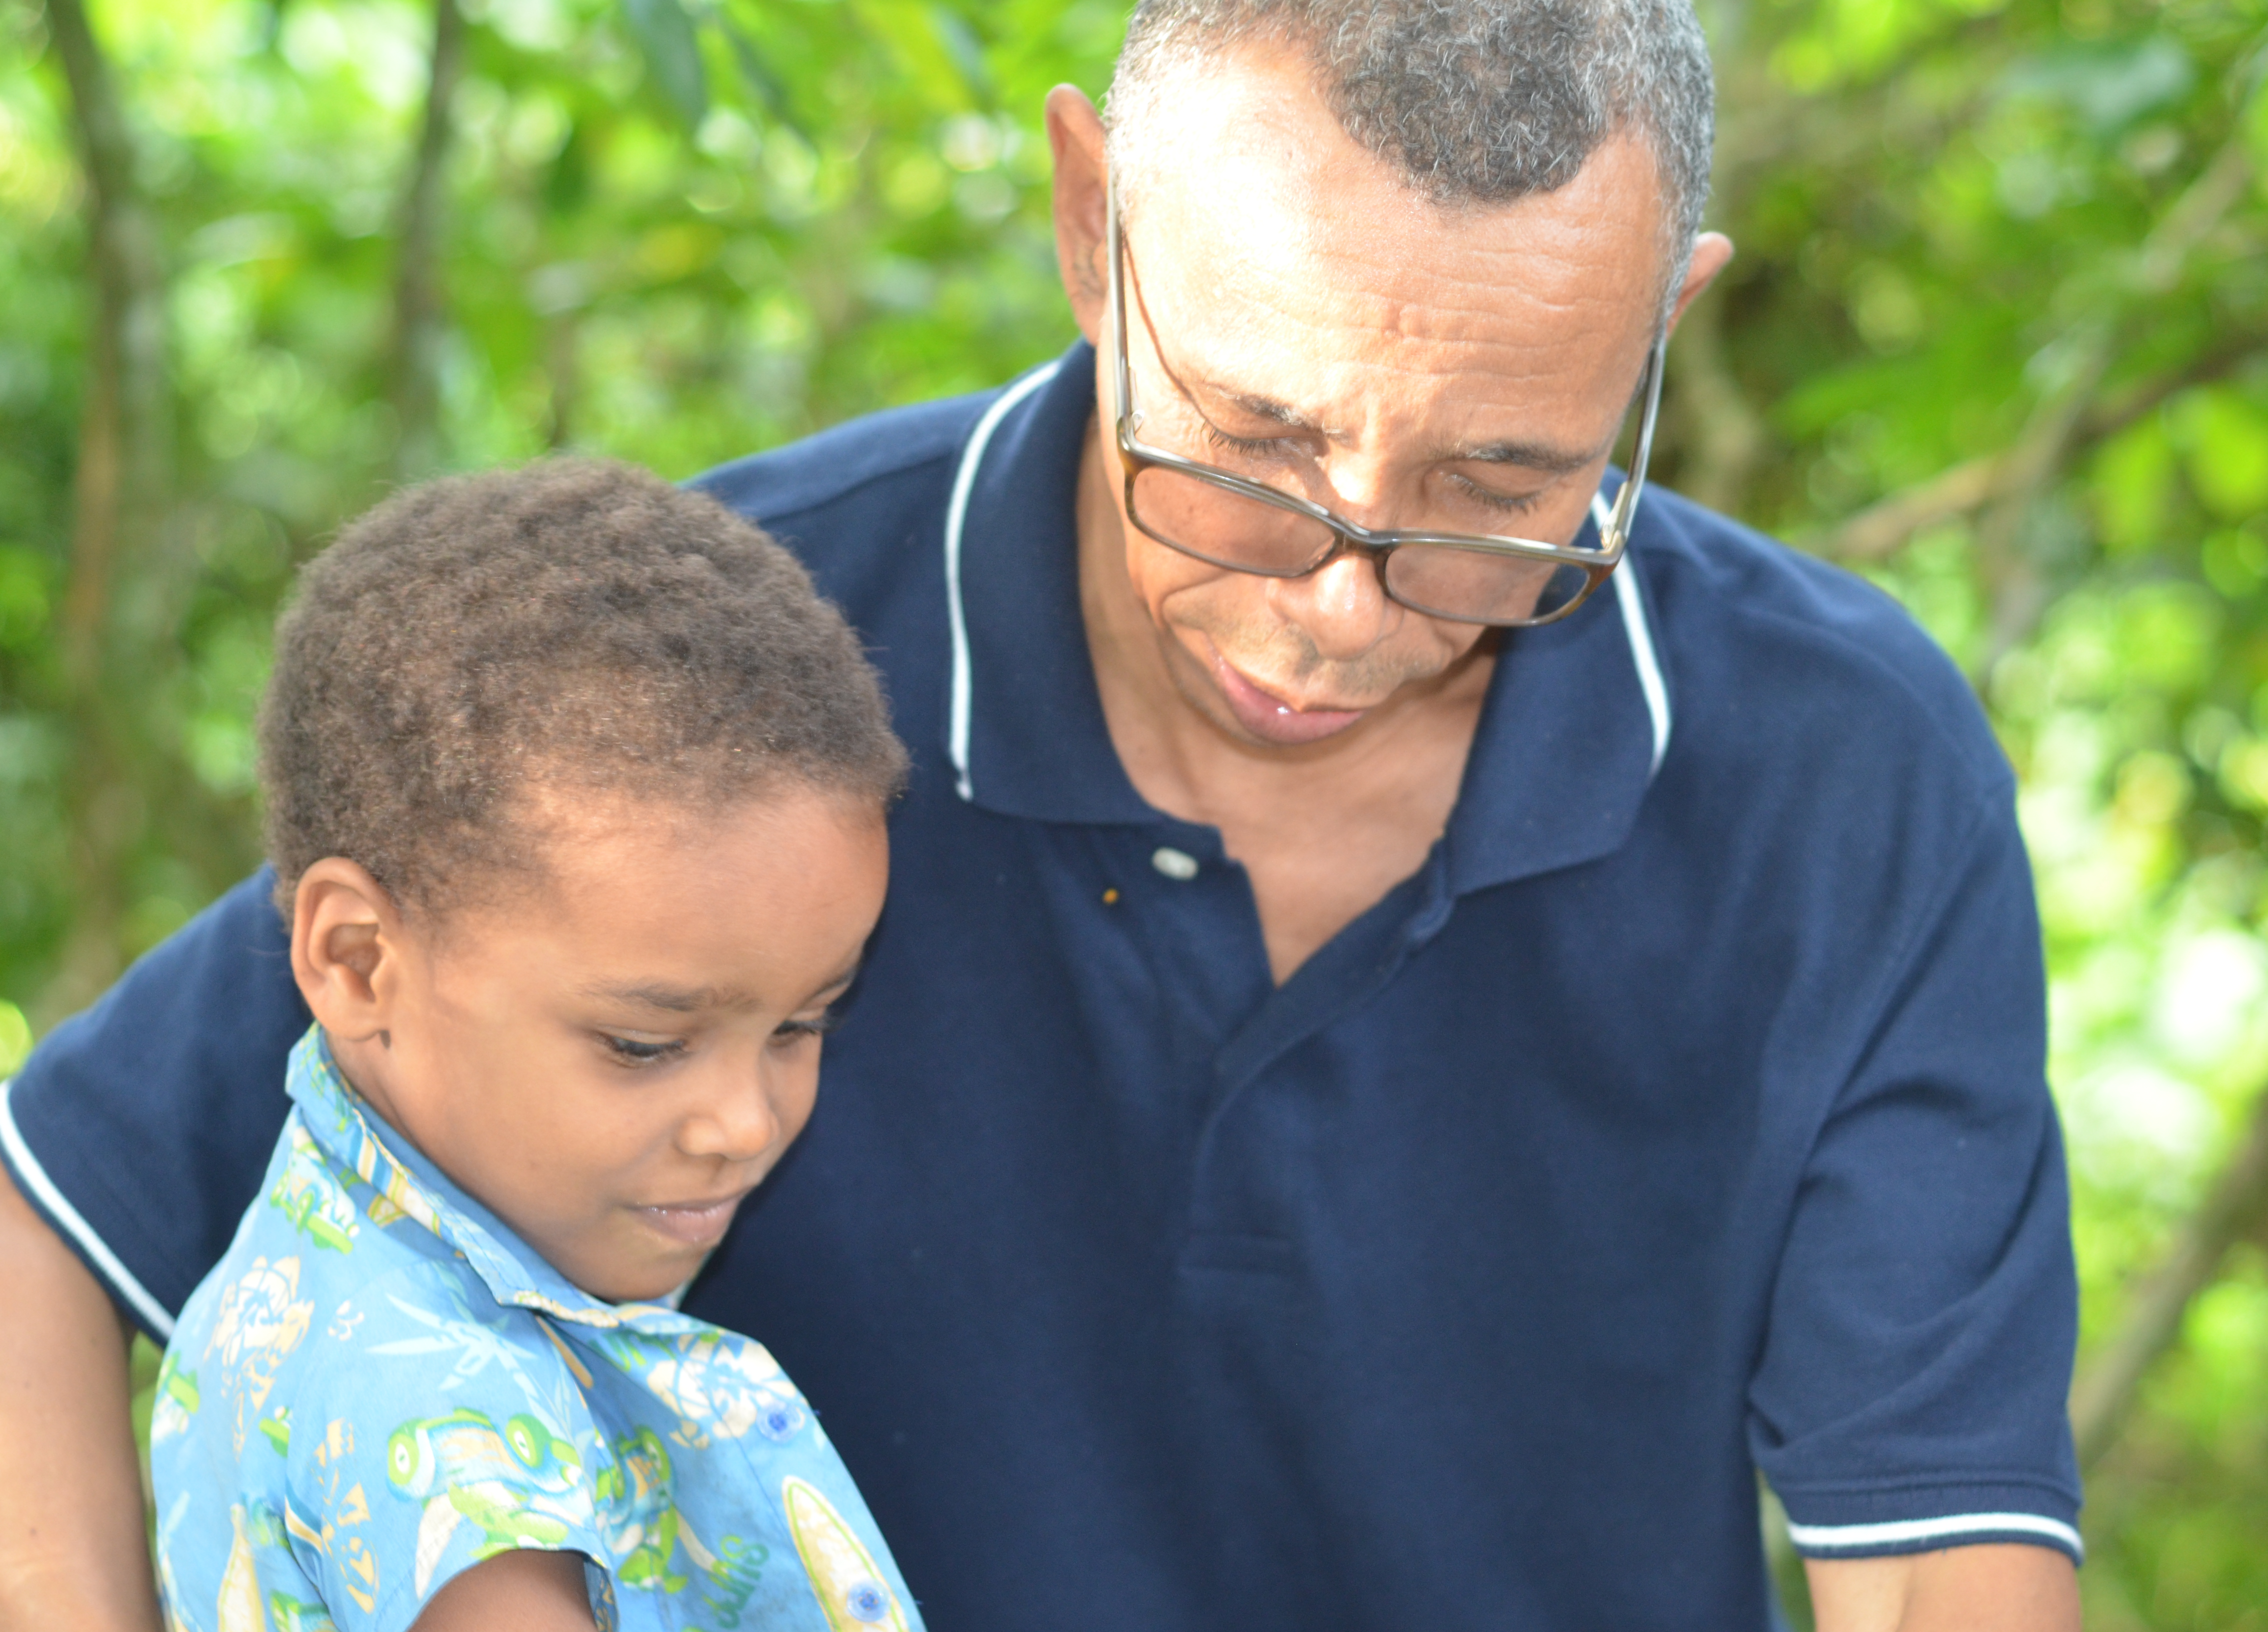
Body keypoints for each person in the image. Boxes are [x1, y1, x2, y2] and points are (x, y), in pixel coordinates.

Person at [0, 4, 2084, 1628]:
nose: (1333, 607)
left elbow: (1929, 1559)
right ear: (1090, 225)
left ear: (1657, 334)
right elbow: (54, 1210)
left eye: (1493, 487)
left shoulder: (1839, 769)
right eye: (1252, 444)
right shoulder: (709, 684)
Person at [146, 462, 920, 1630]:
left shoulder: (308, 1283)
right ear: (358, 961)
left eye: (802, 1025)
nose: (746, 1124)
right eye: (643, 1043)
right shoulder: (445, 1423)